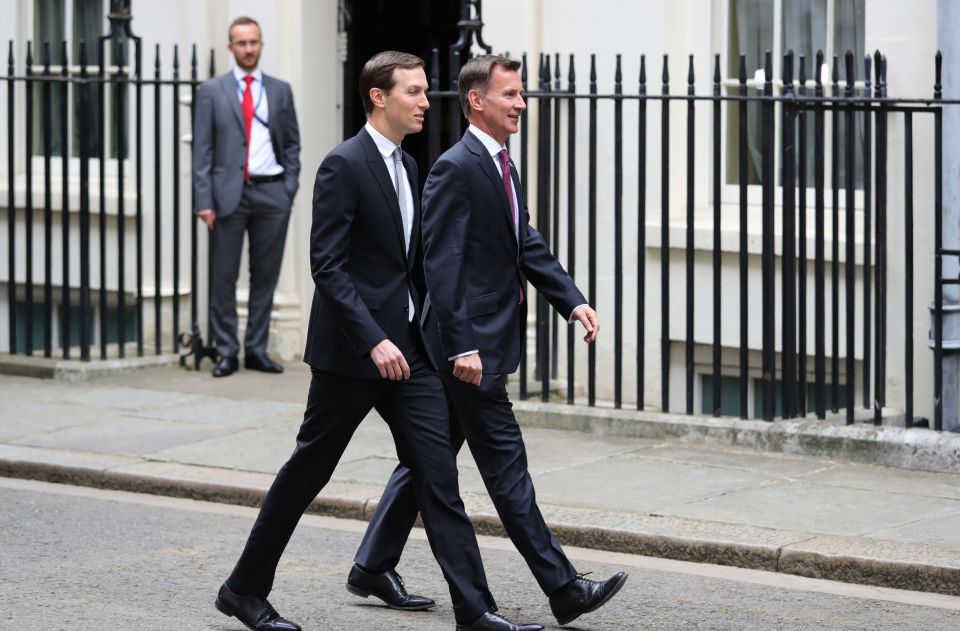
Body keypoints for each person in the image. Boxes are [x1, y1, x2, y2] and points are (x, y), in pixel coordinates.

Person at [213, 51, 543, 631]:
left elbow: (414, 267)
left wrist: (434, 335)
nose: (424, 101)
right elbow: (329, 267)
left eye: (424, 91)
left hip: (409, 354)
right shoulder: (344, 165)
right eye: (413, 92)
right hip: (351, 356)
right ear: (378, 97)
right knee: (306, 473)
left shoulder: (412, 168)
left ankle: (475, 610)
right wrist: (372, 340)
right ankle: (243, 589)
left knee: (438, 475)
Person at [350, 55, 627, 627]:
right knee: (506, 467)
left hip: (473, 345)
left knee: (428, 459)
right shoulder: (457, 166)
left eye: (520, 94)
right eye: (510, 95)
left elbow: (525, 243)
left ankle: (372, 563)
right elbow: (442, 263)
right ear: (478, 101)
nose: (521, 103)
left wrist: (572, 300)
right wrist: (461, 346)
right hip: (463, 352)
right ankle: (564, 587)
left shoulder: (499, 163)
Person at [193, 16, 300, 378]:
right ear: (231, 47)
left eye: (254, 42)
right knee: (224, 278)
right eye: (242, 43)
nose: (249, 49)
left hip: (272, 192)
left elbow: (292, 144)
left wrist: (289, 188)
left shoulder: (281, 90)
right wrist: (203, 200)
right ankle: (226, 351)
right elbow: (202, 152)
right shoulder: (212, 91)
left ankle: (256, 349)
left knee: (265, 277)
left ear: (261, 44)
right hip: (227, 196)